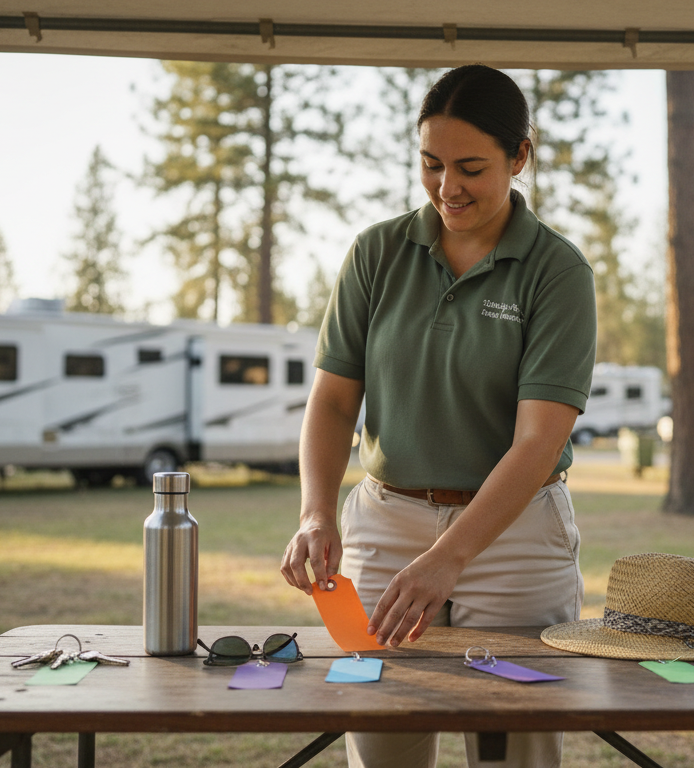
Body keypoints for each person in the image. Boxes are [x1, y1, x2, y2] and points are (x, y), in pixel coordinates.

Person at [280, 64, 596, 768]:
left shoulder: (558, 273)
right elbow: (333, 402)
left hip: (514, 537)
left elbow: (539, 443)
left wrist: (449, 557)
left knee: (515, 749)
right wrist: (315, 514)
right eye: (431, 164)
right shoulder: (376, 252)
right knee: (381, 737)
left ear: (519, 157)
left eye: (471, 167)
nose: (447, 187)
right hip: (385, 526)